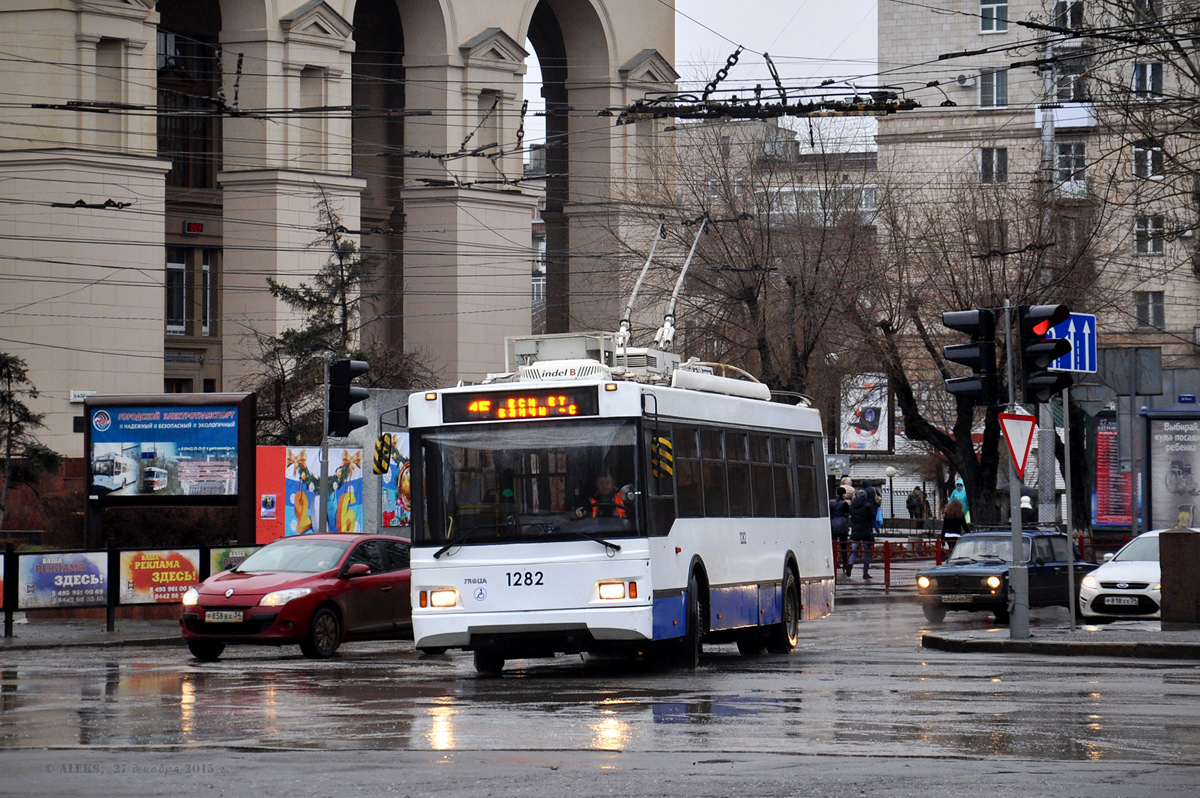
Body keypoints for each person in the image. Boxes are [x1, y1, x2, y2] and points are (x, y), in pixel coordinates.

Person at [846, 486, 879, 579]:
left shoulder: (852, 506)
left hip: (855, 532)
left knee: (854, 551)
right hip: (866, 532)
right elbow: (872, 517)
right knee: (867, 552)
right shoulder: (867, 506)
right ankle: (865, 572)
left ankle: (850, 563)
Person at [829, 485, 852, 573]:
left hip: (833, 524)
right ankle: (845, 564)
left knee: (833, 545)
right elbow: (848, 512)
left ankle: (834, 563)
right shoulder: (844, 503)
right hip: (842, 525)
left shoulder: (831, 502)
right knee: (843, 546)